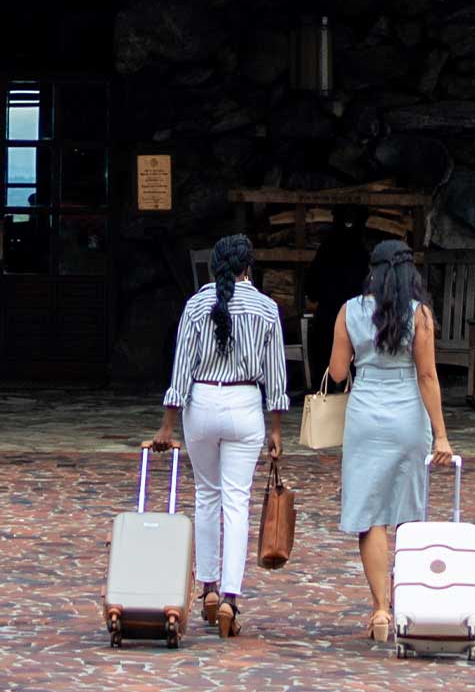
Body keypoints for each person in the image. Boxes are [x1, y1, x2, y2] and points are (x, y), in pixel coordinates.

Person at [143, 234, 287, 638]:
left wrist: (167, 424)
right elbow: (276, 375)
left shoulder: (195, 305)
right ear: (248, 267)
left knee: (206, 495)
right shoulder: (266, 308)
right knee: (236, 501)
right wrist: (277, 429)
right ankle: (230, 597)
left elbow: (181, 369)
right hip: (245, 403)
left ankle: (207, 586)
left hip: (202, 402)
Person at [323, 238, 458, 642]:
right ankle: (409, 600)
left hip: (365, 415)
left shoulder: (349, 310)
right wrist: (441, 435)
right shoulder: (419, 314)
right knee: (408, 512)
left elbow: (338, 373)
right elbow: (428, 375)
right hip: (407, 416)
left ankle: (380, 608)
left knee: (371, 515)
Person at [301, 206, 373, 386]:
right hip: (357, 322)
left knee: (324, 372)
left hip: (327, 318)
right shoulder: (363, 254)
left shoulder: (326, 250)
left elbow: (311, 288)